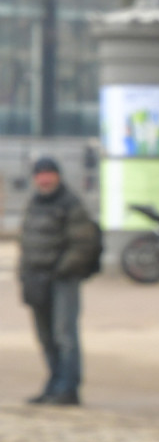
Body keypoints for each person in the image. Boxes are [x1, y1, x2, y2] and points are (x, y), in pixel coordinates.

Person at [18, 156, 101, 406]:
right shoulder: (34, 203)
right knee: (46, 337)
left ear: (58, 176)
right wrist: (25, 276)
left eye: (49, 173)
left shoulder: (70, 204)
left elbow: (82, 243)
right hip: (36, 279)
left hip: (62, 279)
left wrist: (62, 270)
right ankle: (54, 384)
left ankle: (68, 388)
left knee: (64, 334)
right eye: (40, 174)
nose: (44, 179)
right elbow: (26, 242)